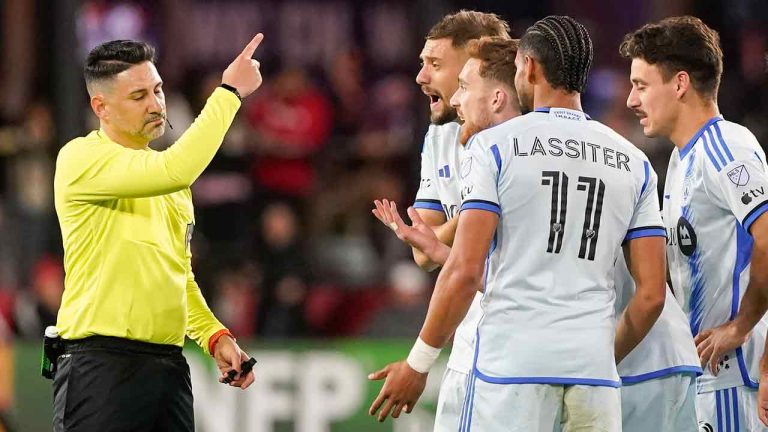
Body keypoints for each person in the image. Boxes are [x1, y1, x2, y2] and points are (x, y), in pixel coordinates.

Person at [369, 16, 667, 431]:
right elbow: (652, 295)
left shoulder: (495, 147)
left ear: (527, 68)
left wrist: (418, 363)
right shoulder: (634, 160)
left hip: (510, 370)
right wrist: (596, 358)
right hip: (594, 375)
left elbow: (464, 270)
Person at [52, 34, 264, 431]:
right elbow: (177, 168)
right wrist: (229, 92)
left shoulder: (170, 185)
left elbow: (178, 276)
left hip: (168, 369)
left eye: (158, 89)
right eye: (138, 97)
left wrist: (215, 336)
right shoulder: (81, 158)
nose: (156, 105)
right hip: (100, 367)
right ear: (102, 107)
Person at [622, 16, 768, 430]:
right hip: (710, 378)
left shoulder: (727, 147)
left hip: (739, 381)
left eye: (642, 85)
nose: (632, 99)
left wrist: (741, 327)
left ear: (680, 83)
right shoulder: (683, 159)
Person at [368, 10, 511, 430]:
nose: (419, 76)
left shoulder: (518, 139)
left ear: (475, 63)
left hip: (522, 332)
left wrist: (418, 361)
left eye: (434, 64)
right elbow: (424, 252)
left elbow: (453, 254)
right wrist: (468, 216)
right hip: (477, 327)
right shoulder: (441, 135)